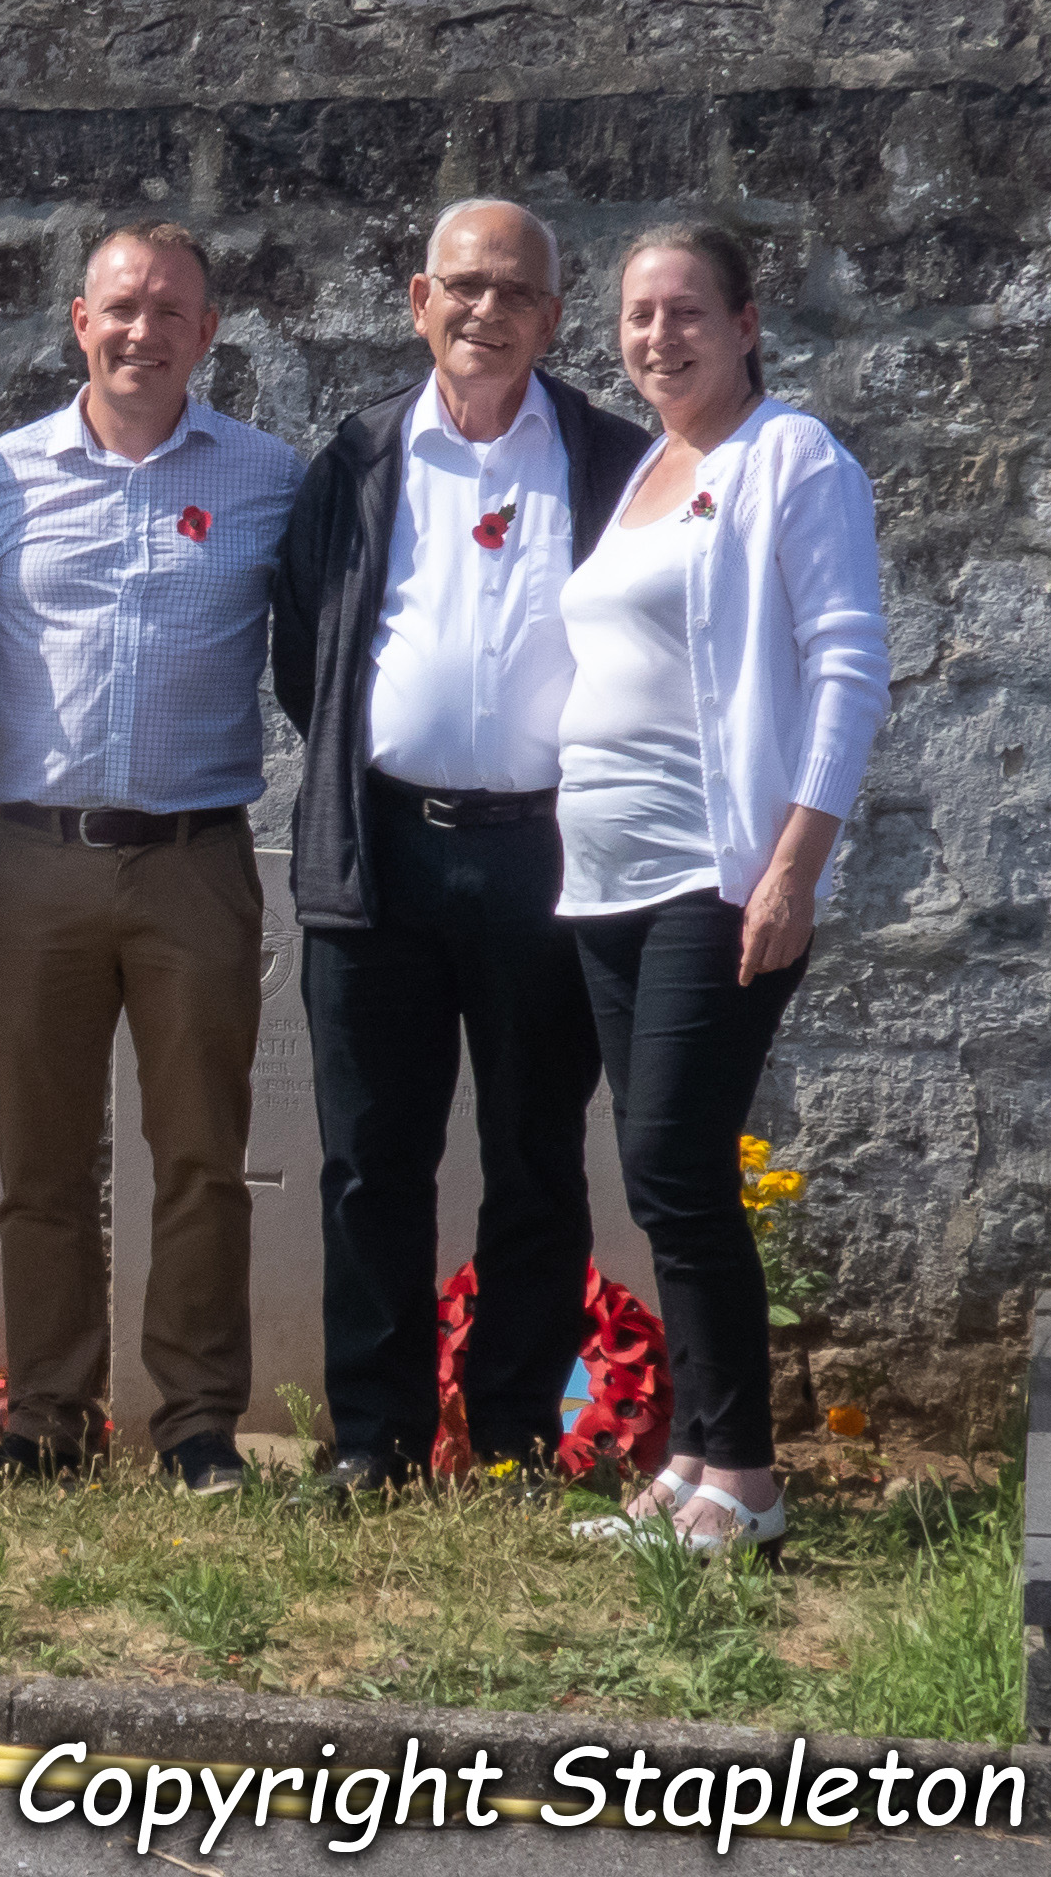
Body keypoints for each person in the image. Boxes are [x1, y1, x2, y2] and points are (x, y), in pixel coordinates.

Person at [272, 198, 650, 1500]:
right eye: (462, 285)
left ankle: (510, 1434)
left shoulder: (615, 460)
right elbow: (305, 655)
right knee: (373, 1154)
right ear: (416, 299)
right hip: (382, 854)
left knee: (538, 1152)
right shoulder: (358, 458)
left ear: (554, 314)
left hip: (550, 854)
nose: (485, 308)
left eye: (515, 291)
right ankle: (371, 1434)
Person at [0, 225, 302, 1493]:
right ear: (75, 321)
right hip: (38, 859)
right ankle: (48, 1412)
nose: (140, 331)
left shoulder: (269, 478)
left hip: (195, 862)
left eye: (168, 312)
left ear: (208, 334)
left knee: (200, 1155)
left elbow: (305, 649)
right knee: (39, 1158)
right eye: (118, 309)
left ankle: (197, 1419)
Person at [562, 226, 886, 1555]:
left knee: (677, 1166)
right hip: (608, 878)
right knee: (663, 1181)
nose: (659, 336)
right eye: (639, 314)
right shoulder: (651, 464)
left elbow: (850, 663)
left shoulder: (788, 455)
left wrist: (793, 863)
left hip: (718, 868)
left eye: (686, 311)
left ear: (747, 321)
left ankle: (744, 1475)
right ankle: (691, 1461)